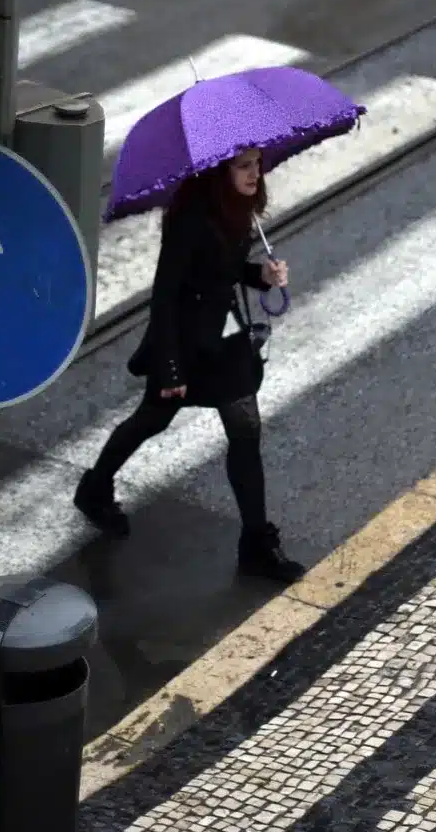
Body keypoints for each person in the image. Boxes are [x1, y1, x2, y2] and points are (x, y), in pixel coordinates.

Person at [72, 146, 307, 583]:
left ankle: (256, 541)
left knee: (245, 431)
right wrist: (172, 370)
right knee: (151, 419)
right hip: (181, 346)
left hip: (221, 347)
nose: (254, 174)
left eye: (257, 164)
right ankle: (95, 487)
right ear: (220, 173)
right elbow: (164, 298)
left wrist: (262, 275)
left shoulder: (236, 211)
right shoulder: (189, 220)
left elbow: (227, 268)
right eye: (243, 167)